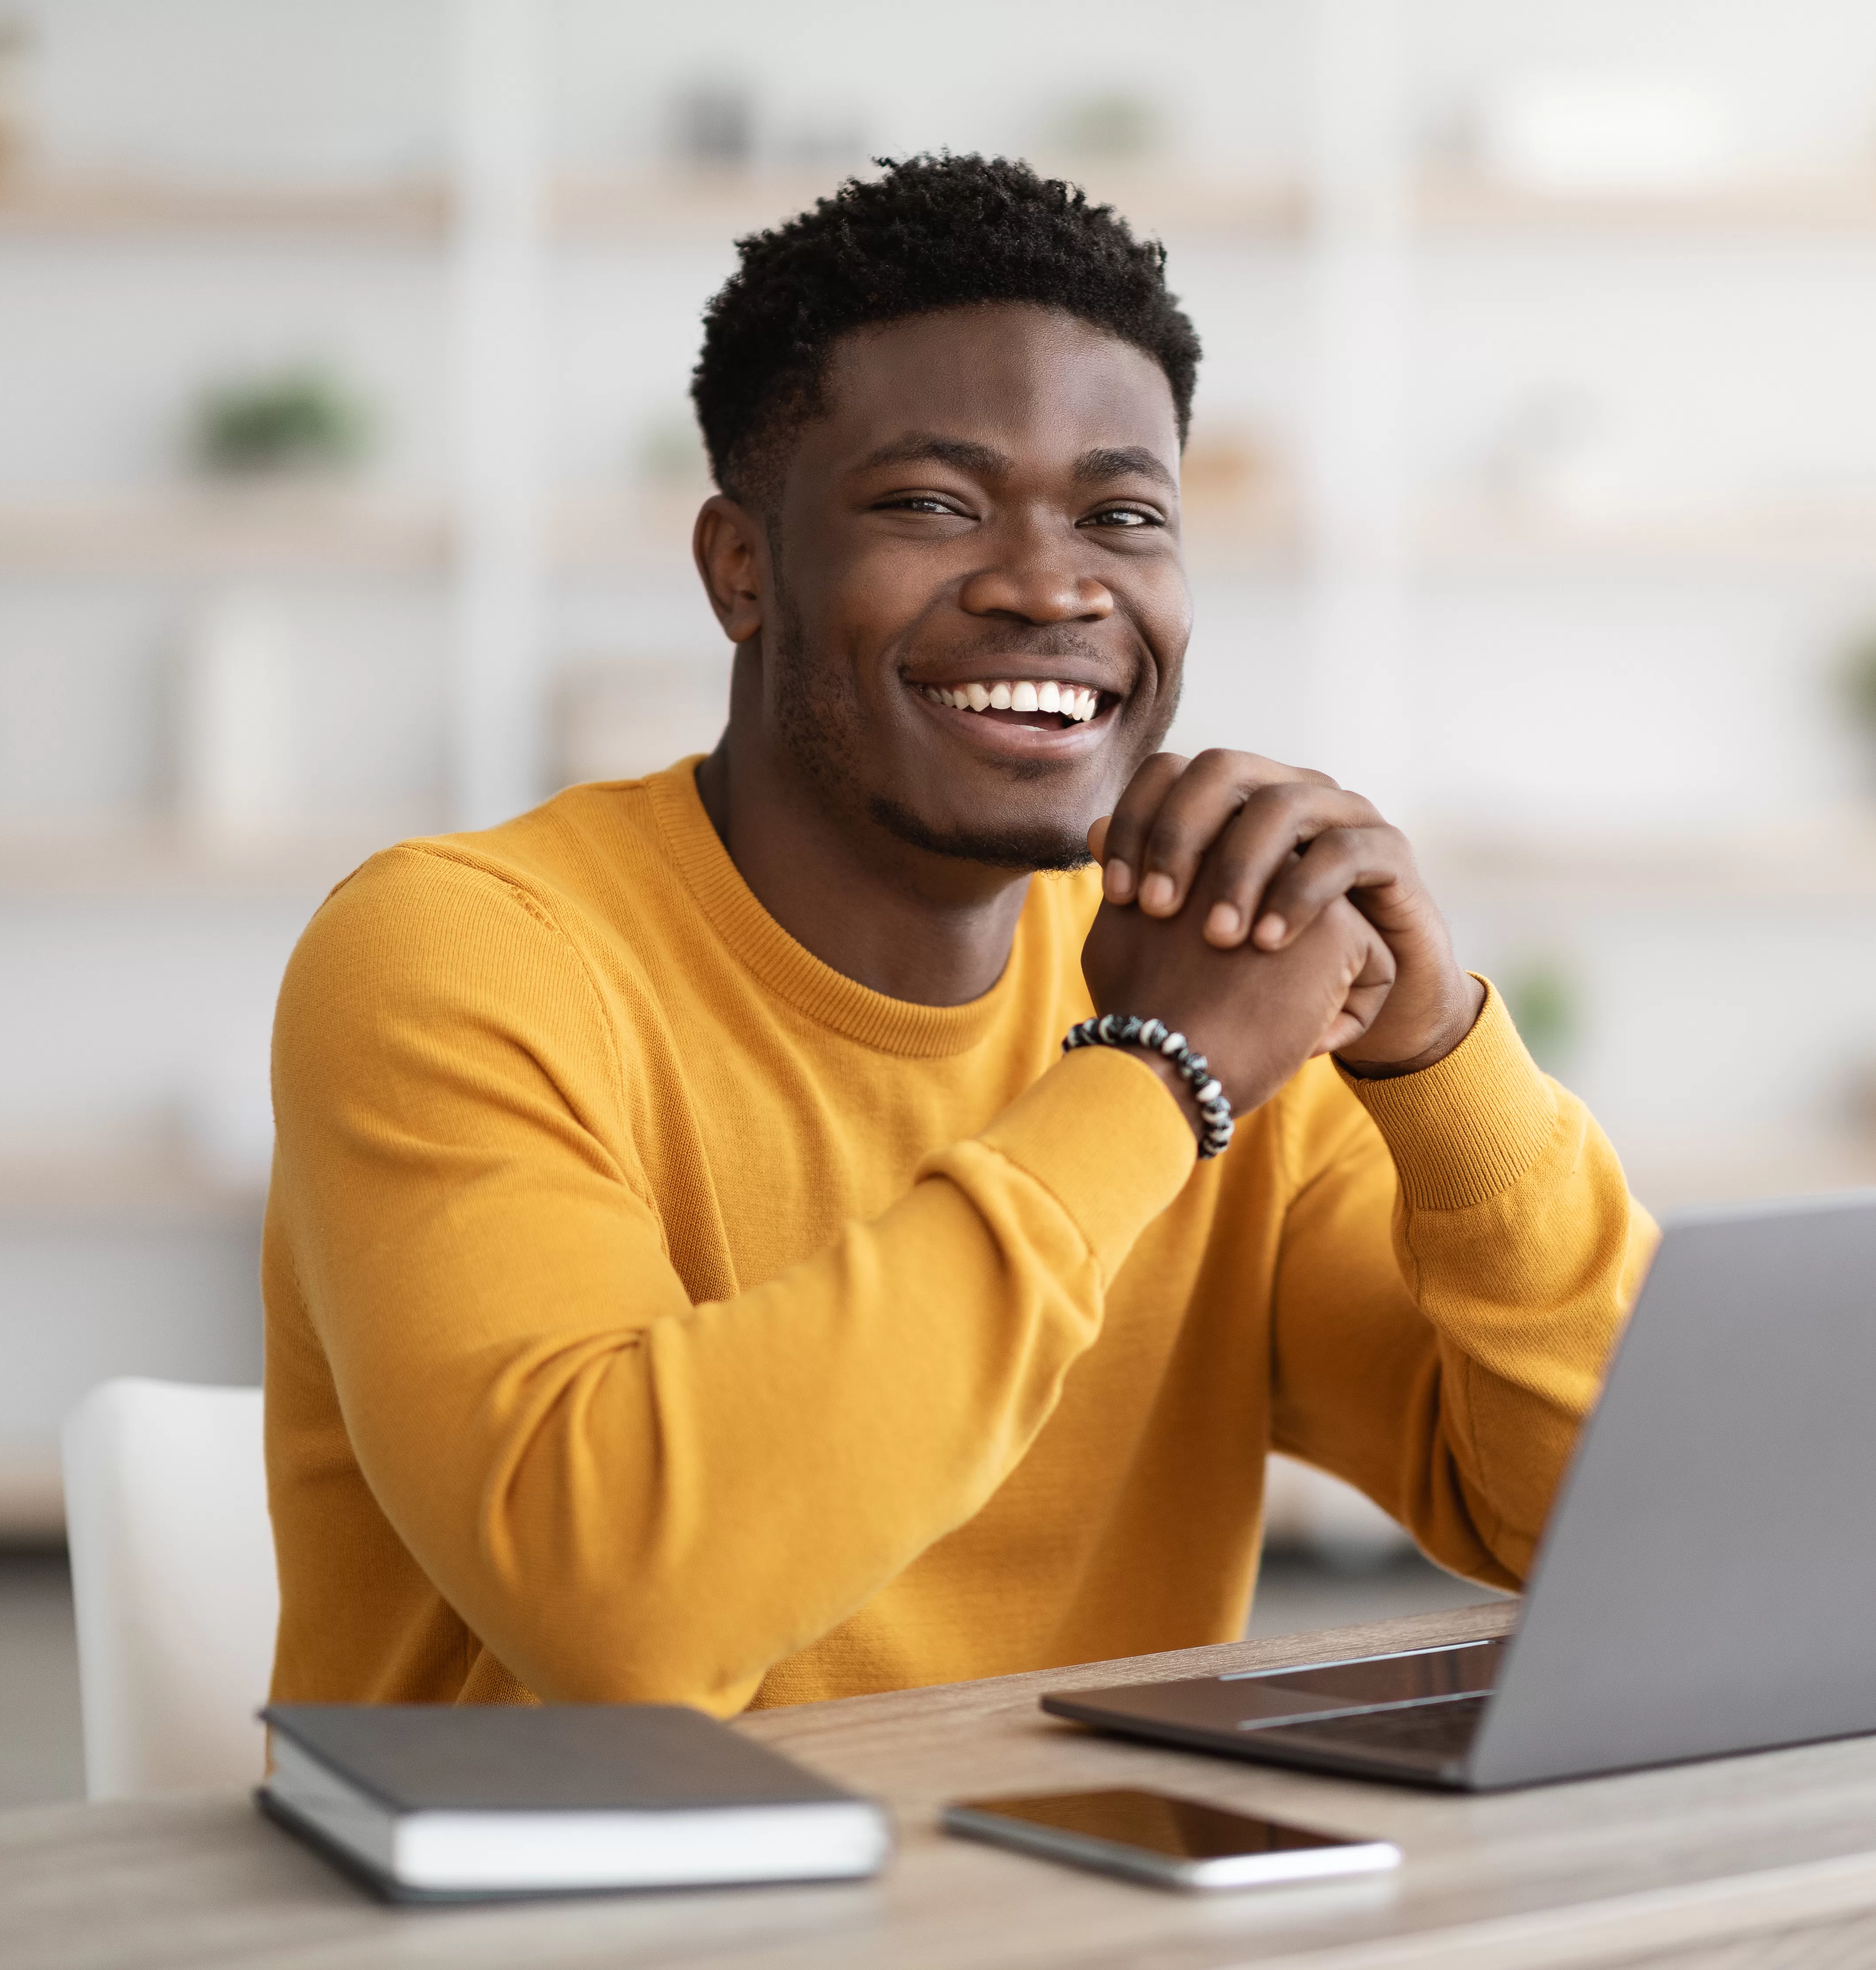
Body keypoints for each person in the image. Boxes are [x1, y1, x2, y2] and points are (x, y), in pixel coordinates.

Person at [263, 154, 1657, 1716]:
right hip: (606, 1866)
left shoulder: (1209, 974)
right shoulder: (461, 952)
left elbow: (1629, 1530)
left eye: (1123, 517)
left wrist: (1440, 1058)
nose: (1053, 589)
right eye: (933, 505)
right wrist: (1154, 1078)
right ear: (741, 567)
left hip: (1083, 1861)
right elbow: (622, 1612)